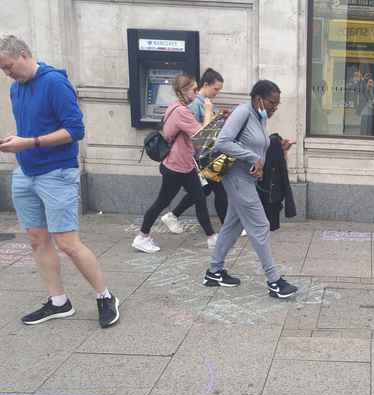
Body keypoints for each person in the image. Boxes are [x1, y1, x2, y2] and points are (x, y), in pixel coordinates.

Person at [0, 35, 119, 327]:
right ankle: (58, 302)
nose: (7, 74)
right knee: (37, 239)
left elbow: (75, 130)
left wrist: (29, 142)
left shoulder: (54, 83)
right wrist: (17, 142)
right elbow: (30, 127)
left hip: (56, 172)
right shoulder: (16, 89)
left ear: (24, 55)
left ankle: (105, 296)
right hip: (26, 172)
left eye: (9, 66)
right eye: (3, 70)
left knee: (67, 243)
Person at [203, 80, 298, 298]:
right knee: (260, 225)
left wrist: (275, 151)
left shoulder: (260, 117)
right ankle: (274, 282)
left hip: (247, 179)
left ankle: (214, 272)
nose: (275, 107)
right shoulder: (243, 112)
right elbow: (223, 142)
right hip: (236, 178)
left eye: (277, 104)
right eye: (272, 103)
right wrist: (252, 158)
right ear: (258, 99)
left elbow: (255, 146)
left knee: (232, 226)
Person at [132, 74, 217, 253]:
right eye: (194, 89)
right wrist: (208, 112)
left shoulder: (175, 106)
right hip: (177, 166)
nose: (197, 92)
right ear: (184, 91)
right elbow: (204, 136)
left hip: (183, 163)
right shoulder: (181, 112)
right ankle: (142, 236)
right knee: (162, 202)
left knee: (200, 197)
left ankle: (211, 237)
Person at [161, 68, 227, 232]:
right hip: (201, 156)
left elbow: (209, 126)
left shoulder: (205, 103)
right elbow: (200, 134)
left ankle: (173, 215)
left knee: (205, 190)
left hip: (205, 155)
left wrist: (220, 116)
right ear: (206, 84)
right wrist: (210, 114)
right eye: (216, 89)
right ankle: (227, 228)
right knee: (218, 190)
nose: (217, 92)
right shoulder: (196, 104)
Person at [257, 133, 296, 231]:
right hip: (270, 196)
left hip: (271, 196)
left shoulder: (267, 154)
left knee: (268, 225)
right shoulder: (272, 157)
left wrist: (284, 150)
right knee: (269, 225)